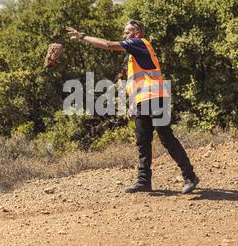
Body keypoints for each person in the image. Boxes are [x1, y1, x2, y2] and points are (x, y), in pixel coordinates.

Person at [66, 20, 199, 194]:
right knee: (142, 141)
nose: (124, 36)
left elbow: (107, 45)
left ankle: (190, 176)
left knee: (166, 137)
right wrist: (132, 104)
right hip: (142, 100)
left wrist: (83, 37)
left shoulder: (140, 43)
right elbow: (134, 82)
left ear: (136, 33)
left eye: (126, 32)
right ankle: (144, 181)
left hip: (156, 97)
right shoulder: (132, 56)